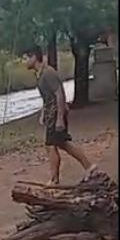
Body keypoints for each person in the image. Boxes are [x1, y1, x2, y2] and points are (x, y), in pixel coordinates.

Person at [23, 45, 96, 186]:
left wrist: (60, 118)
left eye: (26, 58)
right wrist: (43, 112)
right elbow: (48, 97)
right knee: (62, 144)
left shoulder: (48, 73)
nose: (24, 61)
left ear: (34, 57)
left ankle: (55, 180)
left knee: (51, 146)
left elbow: (59, 94)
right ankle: (89, 167)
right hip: (51, 114)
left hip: (56, 114)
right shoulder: (41, 74)